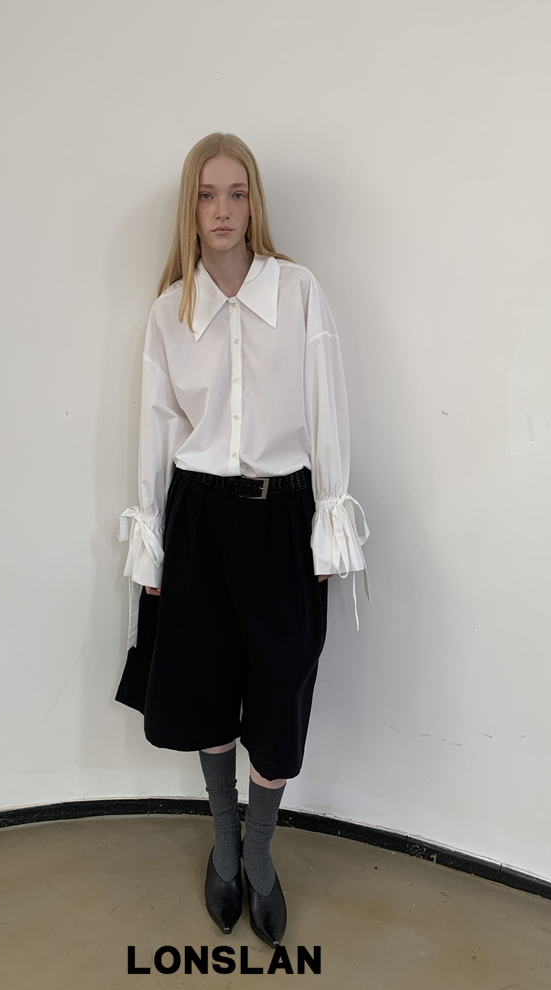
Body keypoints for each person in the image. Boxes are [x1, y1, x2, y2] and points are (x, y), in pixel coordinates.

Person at [115, 132, 370, 948]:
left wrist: (328, 524)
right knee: (206, 686)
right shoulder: (170, 310)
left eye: (236, 192)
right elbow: (156, 428)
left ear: (254, 202)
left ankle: (260, 855)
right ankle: (225, 845)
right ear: (189, 208)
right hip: (198, 520)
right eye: (206, 194)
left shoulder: (298, 292)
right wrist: (151, 545)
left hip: (281, 518)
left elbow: (327, 406)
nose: (221, 209)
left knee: (279, 692)